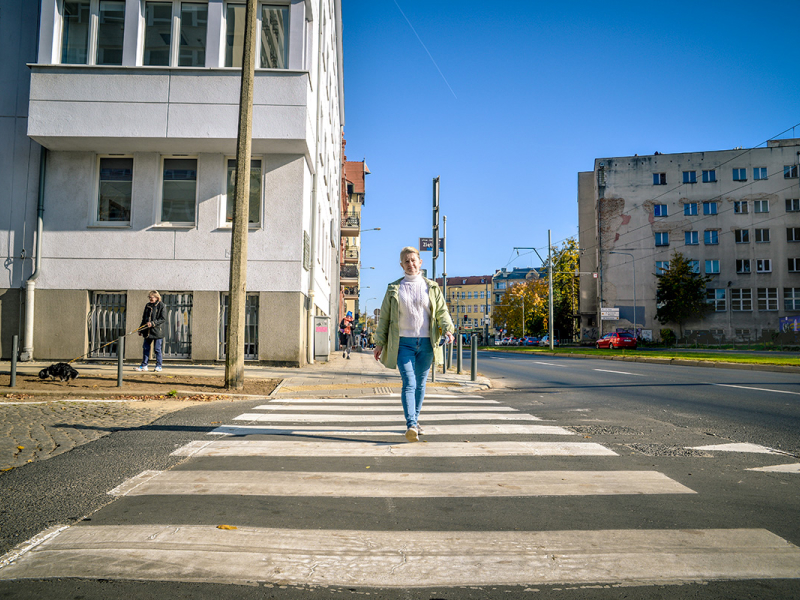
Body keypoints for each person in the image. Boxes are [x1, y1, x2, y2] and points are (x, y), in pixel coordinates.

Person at [374, 246, 455, 442]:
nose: (411, 264)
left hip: (427, 343)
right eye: (406, 261)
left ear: (420, 262)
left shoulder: (432, 287)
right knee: (409, 383)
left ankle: (415, 421)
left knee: (420, 385)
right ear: (401, 265)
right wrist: (379, 343)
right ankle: (411, 423)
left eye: (413, 260)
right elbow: (384, 317)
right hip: (403, 344)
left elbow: (442, 311)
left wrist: (448, 329)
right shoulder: (394, 288)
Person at [136, 291, 166, 372]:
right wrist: (140, 329)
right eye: (149, 297)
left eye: (151, 297)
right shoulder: (147, 305)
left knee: (157, 349)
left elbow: (163, 319)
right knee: (146, 348)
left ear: (156, 297)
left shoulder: (161, 305)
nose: (150, 299)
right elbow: (144, 318)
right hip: (147, 331)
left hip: (157, 331)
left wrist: (153, 323)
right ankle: (144, 365)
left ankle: (159, 366)